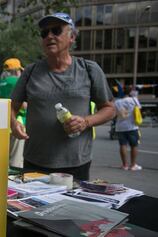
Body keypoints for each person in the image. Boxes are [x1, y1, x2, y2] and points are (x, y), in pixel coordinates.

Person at [10, 12, 115, 181]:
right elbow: (12, 107)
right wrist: (13, 124)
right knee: (34, 208)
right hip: (34, 162)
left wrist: (85, 122)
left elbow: (110, 109)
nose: (49, 36)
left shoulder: (89, 69)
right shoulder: (30, 71)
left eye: (56, 30)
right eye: (45, 33)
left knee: (72, 208)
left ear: (72, 37)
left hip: (76, 165)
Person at [0, 58, 26, 169]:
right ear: (17, 71)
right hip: (17, 125)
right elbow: (24, 105)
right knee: (15, 161)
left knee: (1, 161)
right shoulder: (17, 81)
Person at [114, 86, 142, 171]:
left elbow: (115, 113)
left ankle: (125, 165)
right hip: (132, 126)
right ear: (130, 92)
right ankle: (133, 165)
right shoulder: (134, 100)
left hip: (120, 127)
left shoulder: (117, 102)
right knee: (134, 145)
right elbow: (139, 109)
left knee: (123, 145)